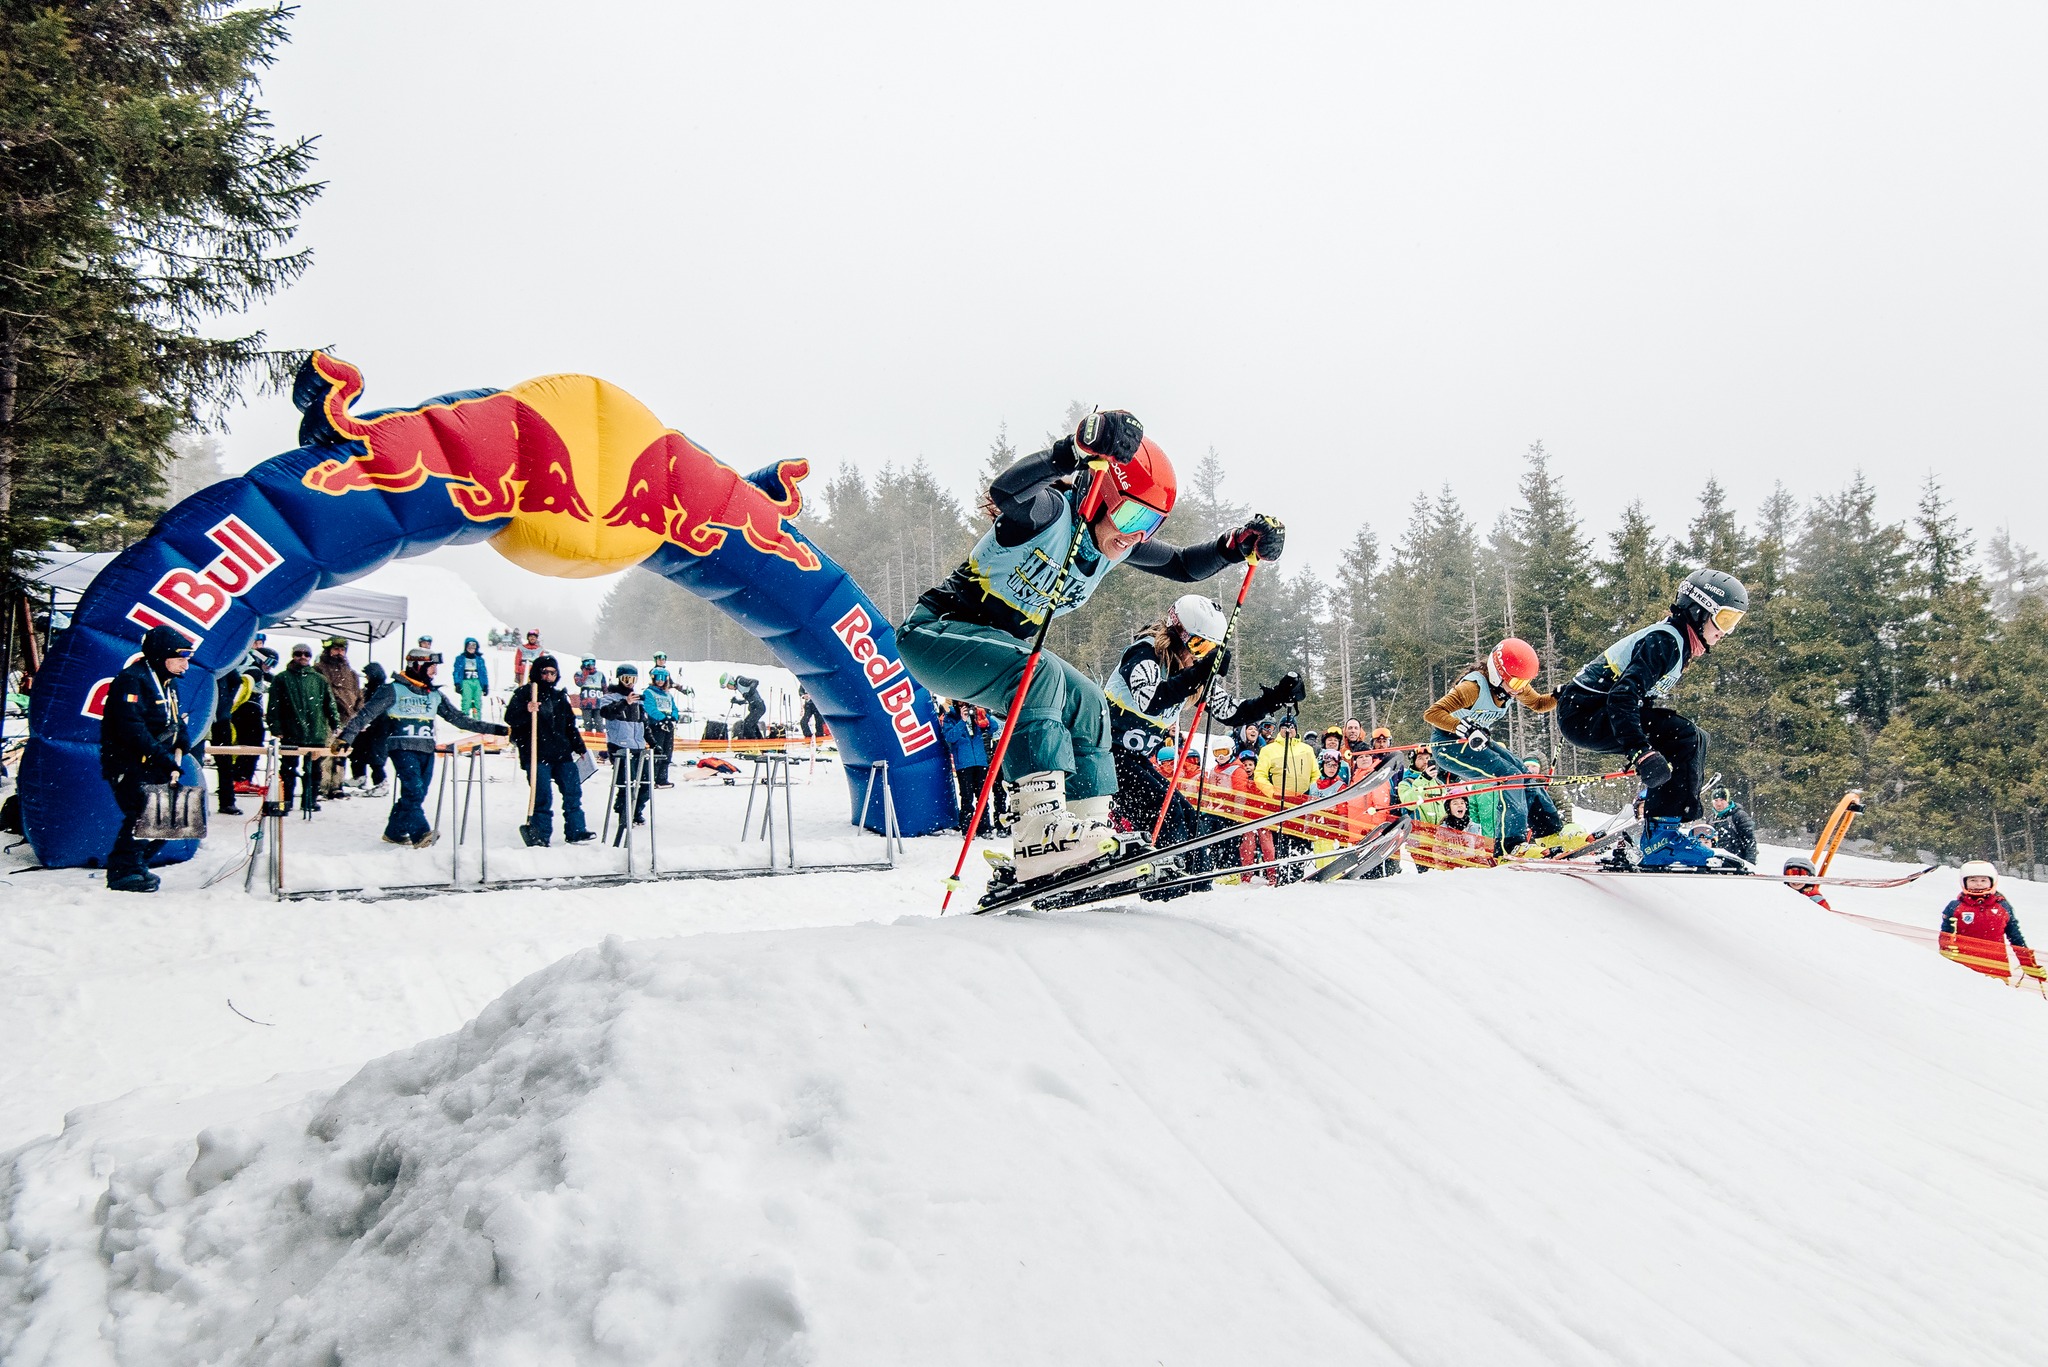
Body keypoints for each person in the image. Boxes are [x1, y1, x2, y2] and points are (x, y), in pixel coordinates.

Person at [896, 408, 1284, 881]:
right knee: (1040, 673)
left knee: (1089, 702)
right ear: (1102, 495)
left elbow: (1183, 565)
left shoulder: (1113, 542)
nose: (1136, 534)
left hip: (997, 650)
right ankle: (1038, 828)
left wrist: (1235, 546)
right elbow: (1004, 492)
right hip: (937, 634)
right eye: (1133, 514)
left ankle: (1087, 833)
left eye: (1151, 524)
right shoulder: (1052, 514)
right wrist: (1074, 450)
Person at [1555, 568, 1748, 869]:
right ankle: (1661, 837)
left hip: (1593, 710)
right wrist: (1639, 749)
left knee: (1694, 737)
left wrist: (1644, 749)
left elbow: (1639, 701)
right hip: (1584, 713)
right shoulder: (1665, 641)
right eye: (1724, 619)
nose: (1726, 631)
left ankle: (1661, 822)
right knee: (1683, 735)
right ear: (1698, 610)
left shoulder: (1676, 641)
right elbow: (1623, 696)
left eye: (1734, 623)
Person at [1103, 593, 1304, 852]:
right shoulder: (1145, 652)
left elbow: (1232, 712)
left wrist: (1276, 697)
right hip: (1105, 755)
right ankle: (1166, 871)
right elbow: (1151, 699)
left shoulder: (1190, 675)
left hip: (1134, 759)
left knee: (1192, 822)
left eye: (1210, 651)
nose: (1200, 657)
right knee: (1168, 817)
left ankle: (1196, 873)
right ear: (1178, 634)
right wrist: (1201, 671)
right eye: (1199, 647)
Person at [337, 646, 507, 847]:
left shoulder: (434, 694)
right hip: (401, 747)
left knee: (417, 794)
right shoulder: (392, 690)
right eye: (431, 666)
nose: (435, 671)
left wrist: (497, 729)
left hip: (426, 749)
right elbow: (366, 714)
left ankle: (394, 832)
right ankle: (421, 834)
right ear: (417, 665)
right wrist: (346, 737)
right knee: (414, 791)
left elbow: (459, 719)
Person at [1423, 637, 1562, 854]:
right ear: (1498, 674)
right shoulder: (1472, 688)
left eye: (1524, 683)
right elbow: (1432, 713)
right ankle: (1510, 844)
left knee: (1523, 774)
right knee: (1509, 776)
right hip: (1448, 745)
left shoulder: (1513, 686)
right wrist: (1462, 727)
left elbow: (1538, 703)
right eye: (1516, 684)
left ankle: (1549, 832)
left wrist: (1560, 696)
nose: (1519, 690)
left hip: (1476, 741)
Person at [98, 626, 196, 892]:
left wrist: (182, 739)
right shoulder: (132, 680)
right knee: (142, 813)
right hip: (131, 763)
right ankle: (122, 872)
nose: (185, 664)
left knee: (169, 817)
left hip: (156, 762)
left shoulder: (169, 682)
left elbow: (175, 718)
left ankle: (137, 864)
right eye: (180, 658)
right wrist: (161, 756)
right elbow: (131, 727)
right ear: (161, 655)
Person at [504, 653, 594, 846]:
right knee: (542, 796)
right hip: (536, 753)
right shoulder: (525, 694)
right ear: (537, 673)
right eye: (545, 672)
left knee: (573, 792)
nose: (548, 677)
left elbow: (570, 725)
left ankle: (576, 830)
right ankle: (541, 834)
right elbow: (510, 718)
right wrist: (526, 710)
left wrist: (579, 746)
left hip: (561, 753)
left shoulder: (559, 697)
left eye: (552, 673)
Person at [1938, 861, 2045, 983]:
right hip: (1963, 968)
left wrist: (2029, 966)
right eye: (1973, 880)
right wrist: (1946, 949)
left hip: (1996, 969)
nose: (1978, 884)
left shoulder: (2002, 906)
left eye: (1983, 880)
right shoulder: (1955, 907)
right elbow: (1945, 934)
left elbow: (2016, 938)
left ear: (1992, 882)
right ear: (1964, 882)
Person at [265, 642, 337, 814]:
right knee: (288, 770)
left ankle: (309, 801)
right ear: (293, 655)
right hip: (290, 732)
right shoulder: (282, 678)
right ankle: (286, 801)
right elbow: (273, 705)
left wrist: (335, 723)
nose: (303, 657)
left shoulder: (319, 679)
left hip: (316, 732)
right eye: (299, 653)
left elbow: (330, 704)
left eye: (306, 654)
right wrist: (276, 728)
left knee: (314, 771)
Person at [600, 664, 652, 834]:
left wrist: (652, 742)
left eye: (633, 679)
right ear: (619, 679)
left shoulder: (637, 700)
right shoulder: (611, 697)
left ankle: (636, 810)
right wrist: (624, 702)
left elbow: (644, 723)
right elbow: (607, 713)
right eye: (626, 679)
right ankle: (624, 812)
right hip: (619, 745)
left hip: (637, 745)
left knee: (645, 783)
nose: (629, 682)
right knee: (626, 782)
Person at [315, 637, 364, 798]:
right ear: (328, 650)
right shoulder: (319, 669)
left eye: (342, 650)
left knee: (341, 753)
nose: (339, 652)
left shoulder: (351, 674)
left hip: (347, 719)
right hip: (327, 718)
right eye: (336, 649)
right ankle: (322, 786)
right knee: (326, 753)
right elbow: (324, 695)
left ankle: (337, 786)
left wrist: (358, 714)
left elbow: (358, 696)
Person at [939, 701, 994, 835]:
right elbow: (950, 737)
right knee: (967, 797)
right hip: (964, 763)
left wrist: (983, 715)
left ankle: (984, 827)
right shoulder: (950, 717)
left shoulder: (976, 713)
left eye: (966, 704)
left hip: (980, 761)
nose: (964, 706)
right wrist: (962, 721)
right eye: (960, 703)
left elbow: (994, 727)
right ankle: (967, 827)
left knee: (983, 797)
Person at [348, 660, 393, 795]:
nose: (366, 677)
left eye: (367, 674)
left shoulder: (381, 691)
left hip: (378, 730)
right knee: (359, 752)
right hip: (369, 729)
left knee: (375, 758)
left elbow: (379, 711)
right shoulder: (370, 690)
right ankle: (359, 776)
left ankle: (381, 783)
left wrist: (370, 723)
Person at [640, 666, 683, 787]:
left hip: (668, 725)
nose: (660, 681)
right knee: (657, 751)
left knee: (667, 751)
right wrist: (662, 718)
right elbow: (649, 708)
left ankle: (662, 777)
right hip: (656, 725)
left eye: (663, 678)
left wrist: (673, 717)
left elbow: (674, 708)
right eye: (658, 678)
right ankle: (652, 777)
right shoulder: (649, 692)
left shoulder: (668, 694)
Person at [1708, 786, 1758, 865]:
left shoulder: (1739, 816)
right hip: (1716, 863)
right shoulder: (1711, 820)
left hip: (1737, 863)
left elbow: (1750, 841)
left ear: (1728, 801)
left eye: (1722, 800)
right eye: (1716, 800)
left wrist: (1750, 863)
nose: (1719, 804)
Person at [451, 637, 490, 719]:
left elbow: (483, 673)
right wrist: (457, 683)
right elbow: (456, 671)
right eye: (469, 646)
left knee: (477, 702)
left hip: (477, 682)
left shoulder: (479, 659)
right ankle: (465, 720)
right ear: (466, 647)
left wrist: (485, 685)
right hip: (466, 681)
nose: (471, 648)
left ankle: (477, 720)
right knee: (467, 701)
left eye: (473, 646)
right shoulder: (460, 659)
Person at [722, 672, 767, 740]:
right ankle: (759, 741)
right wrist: (737, 701)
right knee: (751, 725)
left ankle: (753, 742)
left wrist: (750, 692)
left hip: (759, 707)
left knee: (747, 725)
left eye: (728, 686)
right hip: (755, 708)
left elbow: (755, 682)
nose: (729, 688)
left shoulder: (740, 681)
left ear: (730, 682)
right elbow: (747, 700)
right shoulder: (739, 687)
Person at [574, 658, 606, 735]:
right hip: (585, 704)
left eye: (592, 662)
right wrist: (585, 674)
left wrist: (607, 700)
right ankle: (588, 740)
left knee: (599, 724)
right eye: (587, 662)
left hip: (598, 704)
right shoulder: (578, 674)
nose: (590, 664)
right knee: (587, 724)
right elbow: (579, 683)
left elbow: (605, 689)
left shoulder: (600, 674)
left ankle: (600, 741)